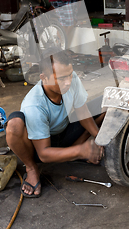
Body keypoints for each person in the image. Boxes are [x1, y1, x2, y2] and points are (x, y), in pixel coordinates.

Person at [5, 50, 104, 198]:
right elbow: (44, 154)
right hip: (40, 148)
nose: (69, 81)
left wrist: (99, 139)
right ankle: (32, 169)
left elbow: (82, 112)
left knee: (106, 104)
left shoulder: (72, 79)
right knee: (14, 125)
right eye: (62, 78)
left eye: (70, 74)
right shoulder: (34, 104)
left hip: (63, 133)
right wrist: (81, 151)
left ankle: (74, 152)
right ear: (44, 78)